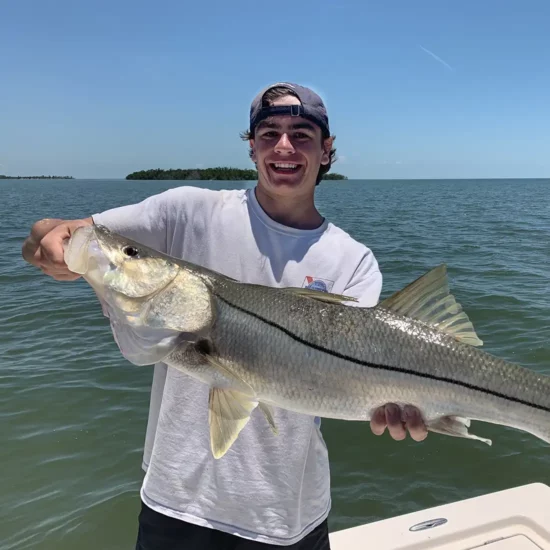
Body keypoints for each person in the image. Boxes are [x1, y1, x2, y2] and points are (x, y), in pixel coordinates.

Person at [22, 82, 428, 550]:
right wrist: (49, 243)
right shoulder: (188, 212)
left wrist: (397, 406)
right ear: (251, 147)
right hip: (177, 501)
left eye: (302, 134)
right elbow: (56, 231)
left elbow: (358, 379)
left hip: (288, 513)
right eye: (269, 133)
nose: (284, 147)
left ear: (327, 150)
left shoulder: (354, 261)